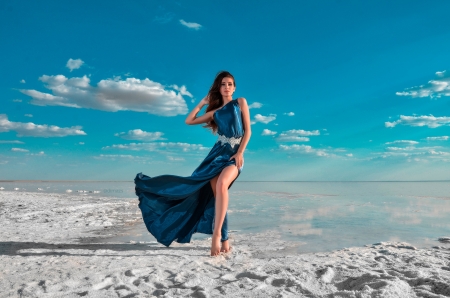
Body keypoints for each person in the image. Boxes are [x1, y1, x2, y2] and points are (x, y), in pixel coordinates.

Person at [134, 71, 251, 256]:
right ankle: (225, 239)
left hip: (233, 155)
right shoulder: (215, 113)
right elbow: (189, 121)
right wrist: (201, 104)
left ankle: (217, 235)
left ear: (234, 88)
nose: (227, 87)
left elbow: (248, 132)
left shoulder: (241, 102)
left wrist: (240, 152)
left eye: (230, 84)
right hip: (215, 156)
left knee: (222, 185)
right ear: (219, 88)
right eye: (223, 84)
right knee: (217, 196)